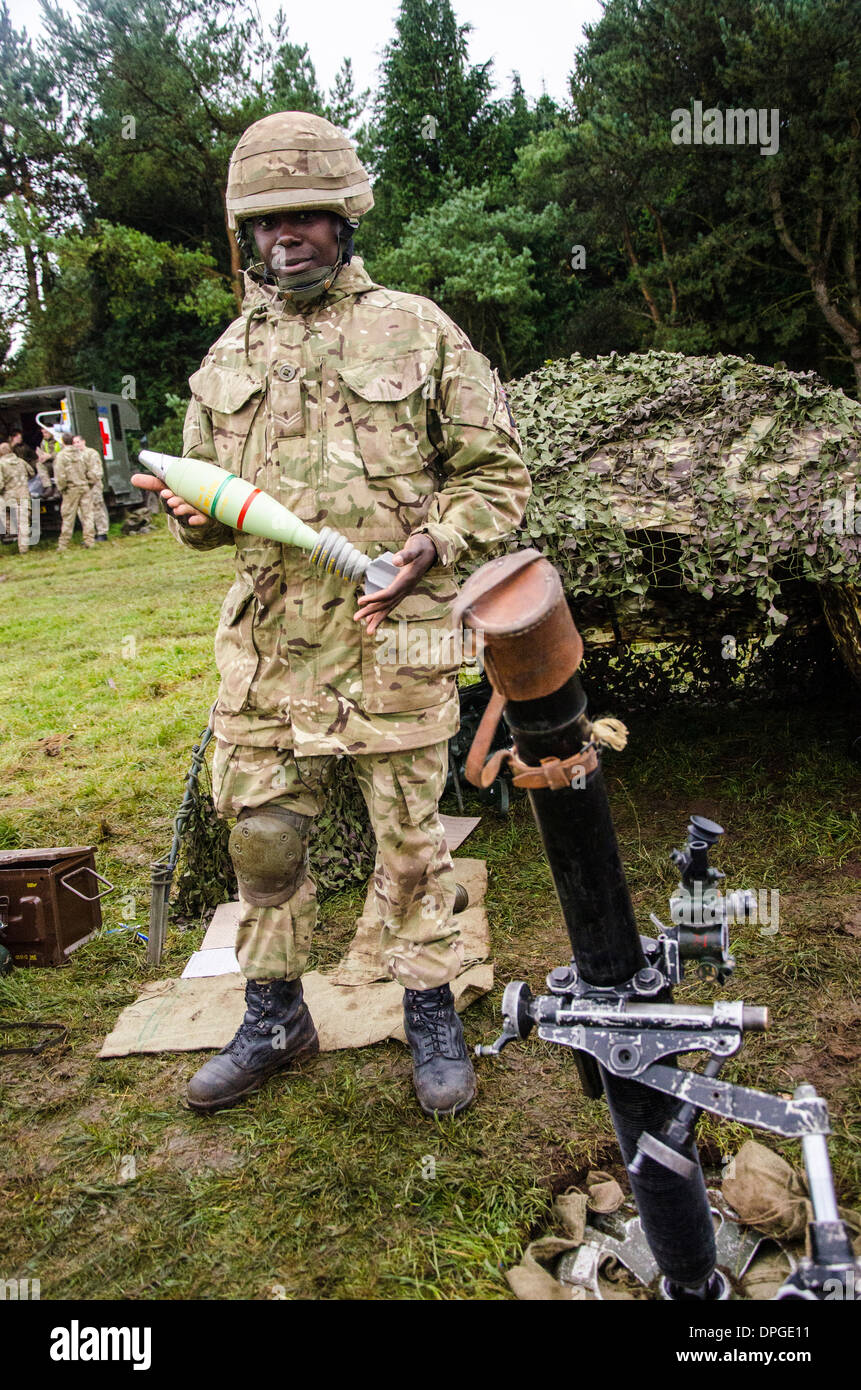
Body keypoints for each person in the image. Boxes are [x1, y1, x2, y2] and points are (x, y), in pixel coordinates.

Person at [133, 111, 530, 1118]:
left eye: (306, 216)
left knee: (411, 843)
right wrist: (190, 517)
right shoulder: (223, 360)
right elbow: (209, 518)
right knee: (262, 841)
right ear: (246, 234)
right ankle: (273, 1012)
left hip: (393, 642)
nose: (286, 238)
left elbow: (498, 478)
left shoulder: (420, 329)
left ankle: (429, 1006)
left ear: (346, 216)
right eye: (267, 224)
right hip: (267, 655)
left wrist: (430, 547)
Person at [54, 432, 95, 552]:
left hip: (71, 489)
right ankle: (90, 540)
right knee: (87, 515)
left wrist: (62, 488)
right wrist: (89, 483)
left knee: (68, 517)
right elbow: (89, 471)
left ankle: (63, 544)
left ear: (63, 442)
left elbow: (60, 476)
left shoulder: (61, 456)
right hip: (84, 487)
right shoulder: (81, 454)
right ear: (72, 441)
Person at [74, 434, 110, 540]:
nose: (76, 445)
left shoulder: (91, 453)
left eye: (78, 442)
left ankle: (102, 533)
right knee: (83, 511)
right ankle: (90, 534)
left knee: (97, 508)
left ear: (83, 442)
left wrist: (88, 481)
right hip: (81, 487)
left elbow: (97, 471)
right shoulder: (74, 456)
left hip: (93, 486)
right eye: (74, 443)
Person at [0, 442, 33, 555]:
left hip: (8, 497)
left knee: (5, 516)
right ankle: (23, 549)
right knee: (23, 523)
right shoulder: (21, 461)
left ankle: (10, 531)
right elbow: (32, 472)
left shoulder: (1, 464)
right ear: (10, 450)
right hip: (23, 495)